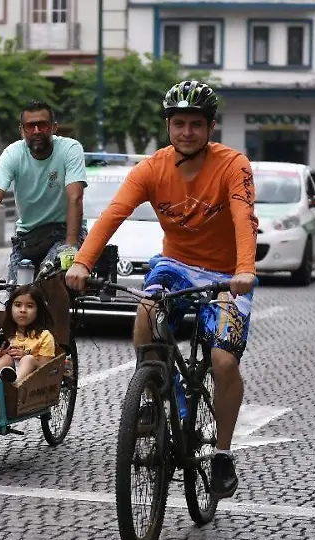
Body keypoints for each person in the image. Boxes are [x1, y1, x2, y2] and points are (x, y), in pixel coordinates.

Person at [65, 80, 259, 500]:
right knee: (147, 313)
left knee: (224, 361)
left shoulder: (233, 165)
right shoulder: (152, 168)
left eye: (195, 124)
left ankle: (222, 453)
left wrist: (245, 269)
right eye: (179, 124)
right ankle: (152, 387)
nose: (186, 132)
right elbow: (113, 213)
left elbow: (245, 218)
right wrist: (82, 261)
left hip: (227, 273)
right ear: (168, 126)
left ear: (210, 128)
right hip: (176, 266)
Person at [0, 101, 87, 281]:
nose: (36, 131)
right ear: (21, 130)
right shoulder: (12, 154)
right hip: (28, 237)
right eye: (30, 126)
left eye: (42, 125)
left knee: (47, 280)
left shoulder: (70, 149)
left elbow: (75, 197)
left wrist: (70, 245)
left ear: (54, 127)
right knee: (15, 296)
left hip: (65, 231)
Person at [0, 284, 56, 384]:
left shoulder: (45, 336)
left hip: (31, 382)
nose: (23, 310)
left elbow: (45, 369)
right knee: (6, 358)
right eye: (18, 305)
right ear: (10, 308)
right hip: (6, 375)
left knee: (28, 359)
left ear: (38, 310)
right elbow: (1, 361)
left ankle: (14, 385)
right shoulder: (7, 334)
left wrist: (24, 355)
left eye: (29, 306)